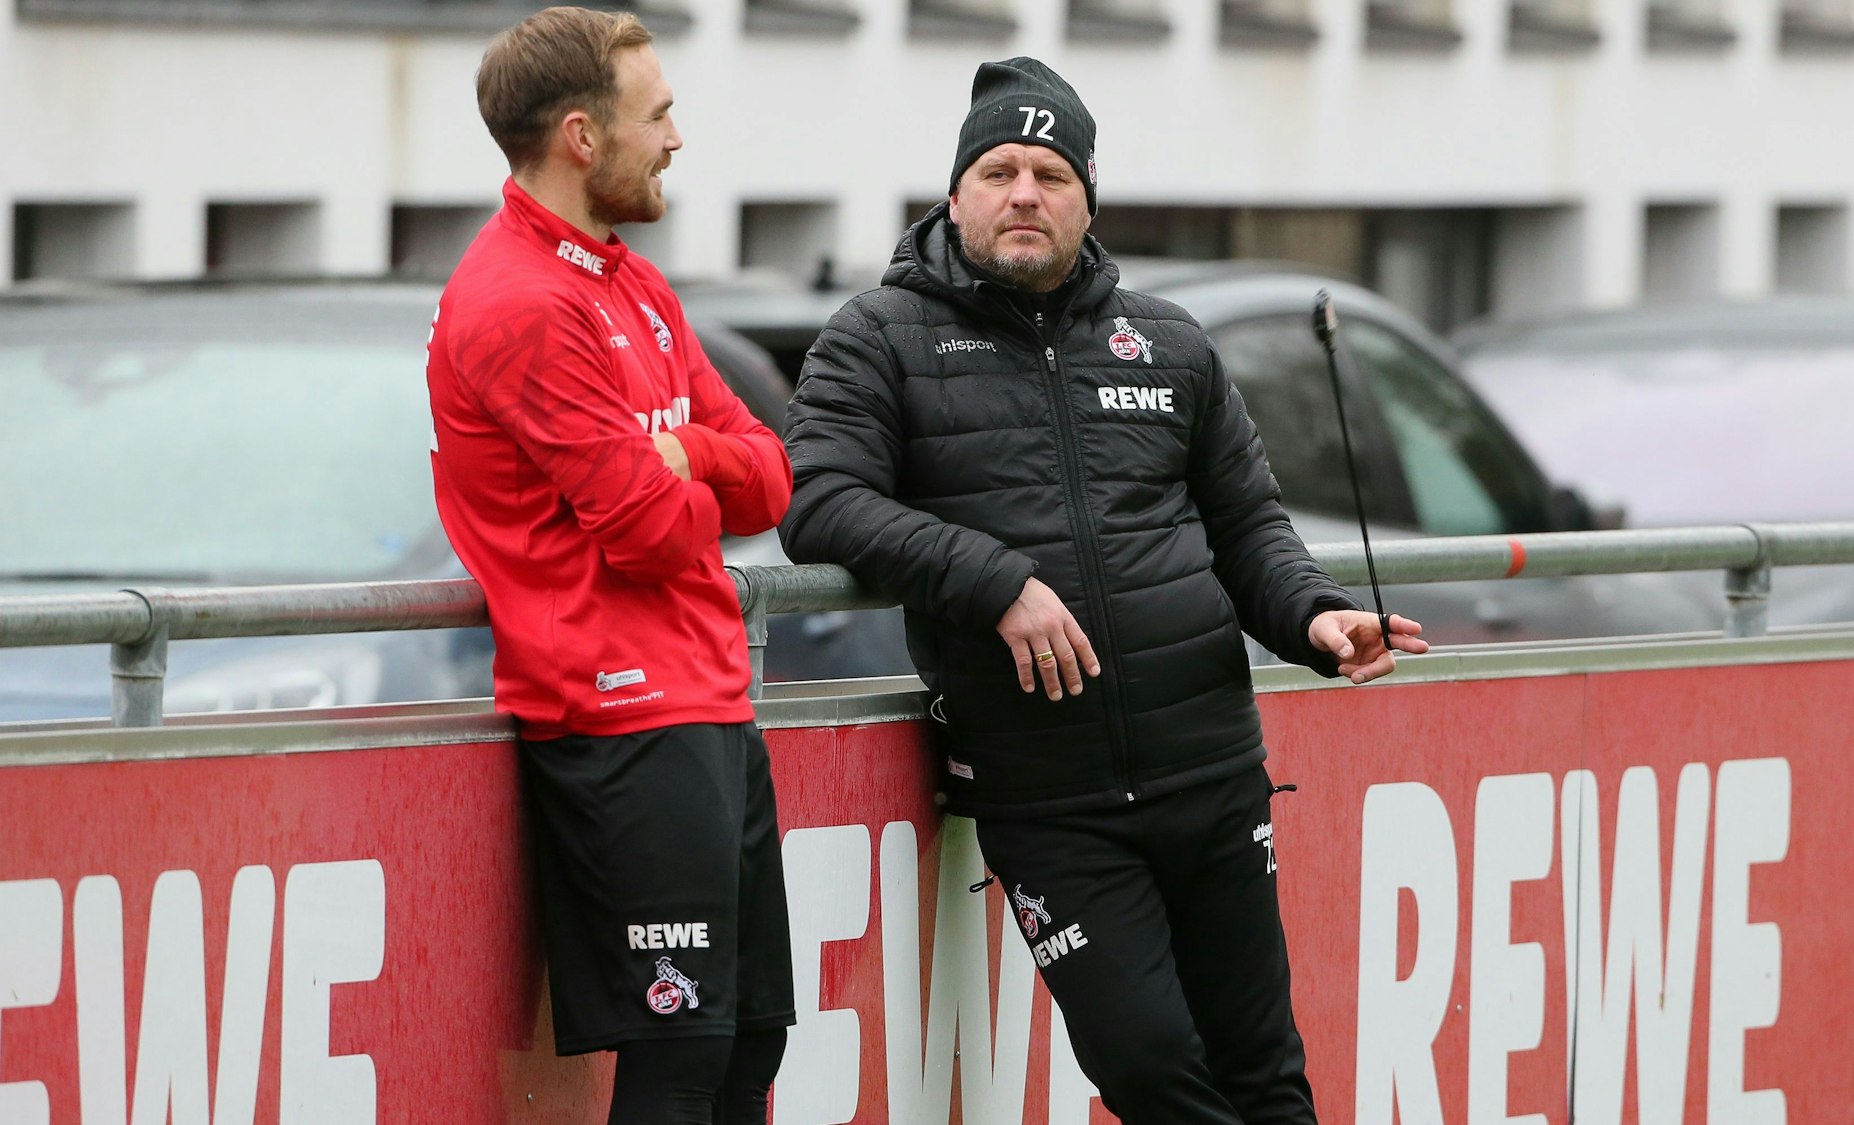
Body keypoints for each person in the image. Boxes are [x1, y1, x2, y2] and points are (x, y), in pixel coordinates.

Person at [780, 56, 1427, 1124]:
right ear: (954, 195)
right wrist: (994, 582)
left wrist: (1317, 617)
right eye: (997, 169)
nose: (1023, 192)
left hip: (1212, 772)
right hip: (1049, 799)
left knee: (1262, 1070)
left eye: (1049, 172)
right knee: (1148, 1068)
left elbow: (1248, 529)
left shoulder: (1168, 341)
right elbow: (819, 503)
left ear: (1087, 199)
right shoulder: (877, 337)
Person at [424, 9, 794, 1123]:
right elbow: (644, 528)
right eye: (660, 115)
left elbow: (773, 477)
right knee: (681, 1055)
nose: (675, 138)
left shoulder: (628, 283)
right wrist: (687, 479)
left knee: (748, 1045)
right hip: (616, 717)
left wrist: (684, 451)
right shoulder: (521, 303)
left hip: (707, 697)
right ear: (582, 138)